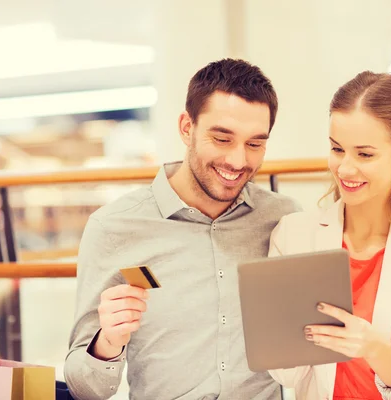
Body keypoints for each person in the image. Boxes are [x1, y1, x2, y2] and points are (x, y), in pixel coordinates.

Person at [64, 58, 301, 400]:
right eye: (222, 139)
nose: (238, 161)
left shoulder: (284, 219)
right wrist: (108, 344)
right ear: (186, 128)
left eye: (254, 144)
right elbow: (84, 388)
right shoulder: (114, 228)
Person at [268, 71, 391, 400]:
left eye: (364, 154)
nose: (345, 168)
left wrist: (373, 348)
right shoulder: (294, 235)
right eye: (336, 149)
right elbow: (285, 373)